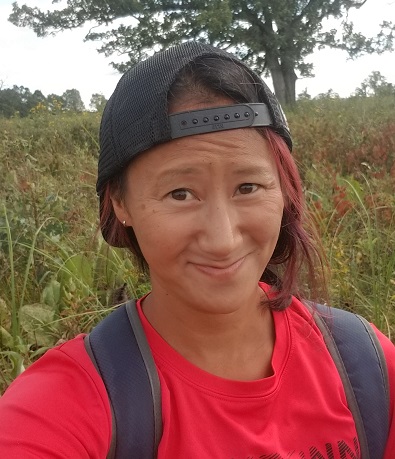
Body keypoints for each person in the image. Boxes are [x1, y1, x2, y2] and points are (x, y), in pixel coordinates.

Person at [0, 41, 394, 458]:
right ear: (120, 202)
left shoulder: (367, 368)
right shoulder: (72, 404)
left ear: (284, 190)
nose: (222, 240)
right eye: (180, 193)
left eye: (248, 187)